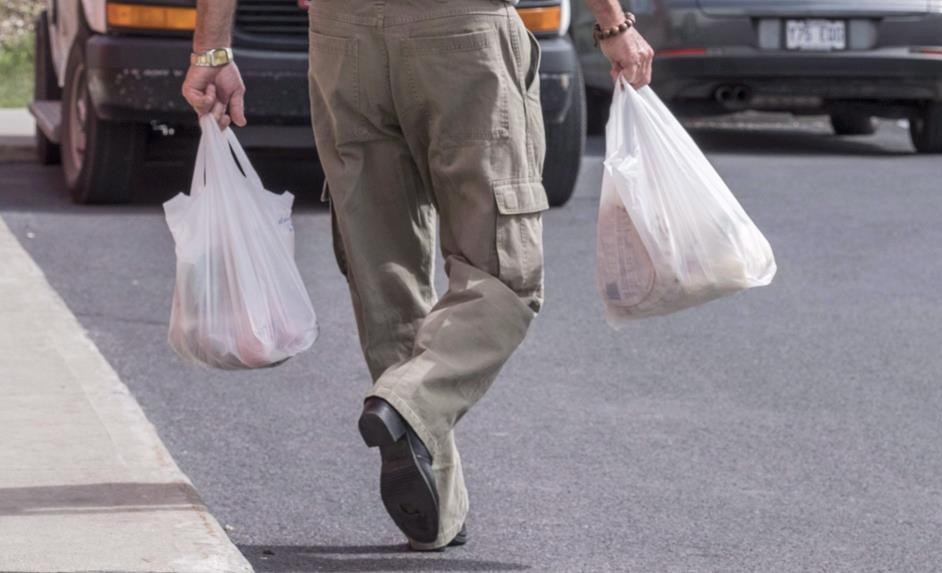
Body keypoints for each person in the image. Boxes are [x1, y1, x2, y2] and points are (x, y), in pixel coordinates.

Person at [182, 0, 652, 551]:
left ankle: (439, 507)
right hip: (460, 31)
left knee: (386, 270)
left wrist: (210, 49)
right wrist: (615, 23)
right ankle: (410, 401)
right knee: (505, 273)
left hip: (342, 40)